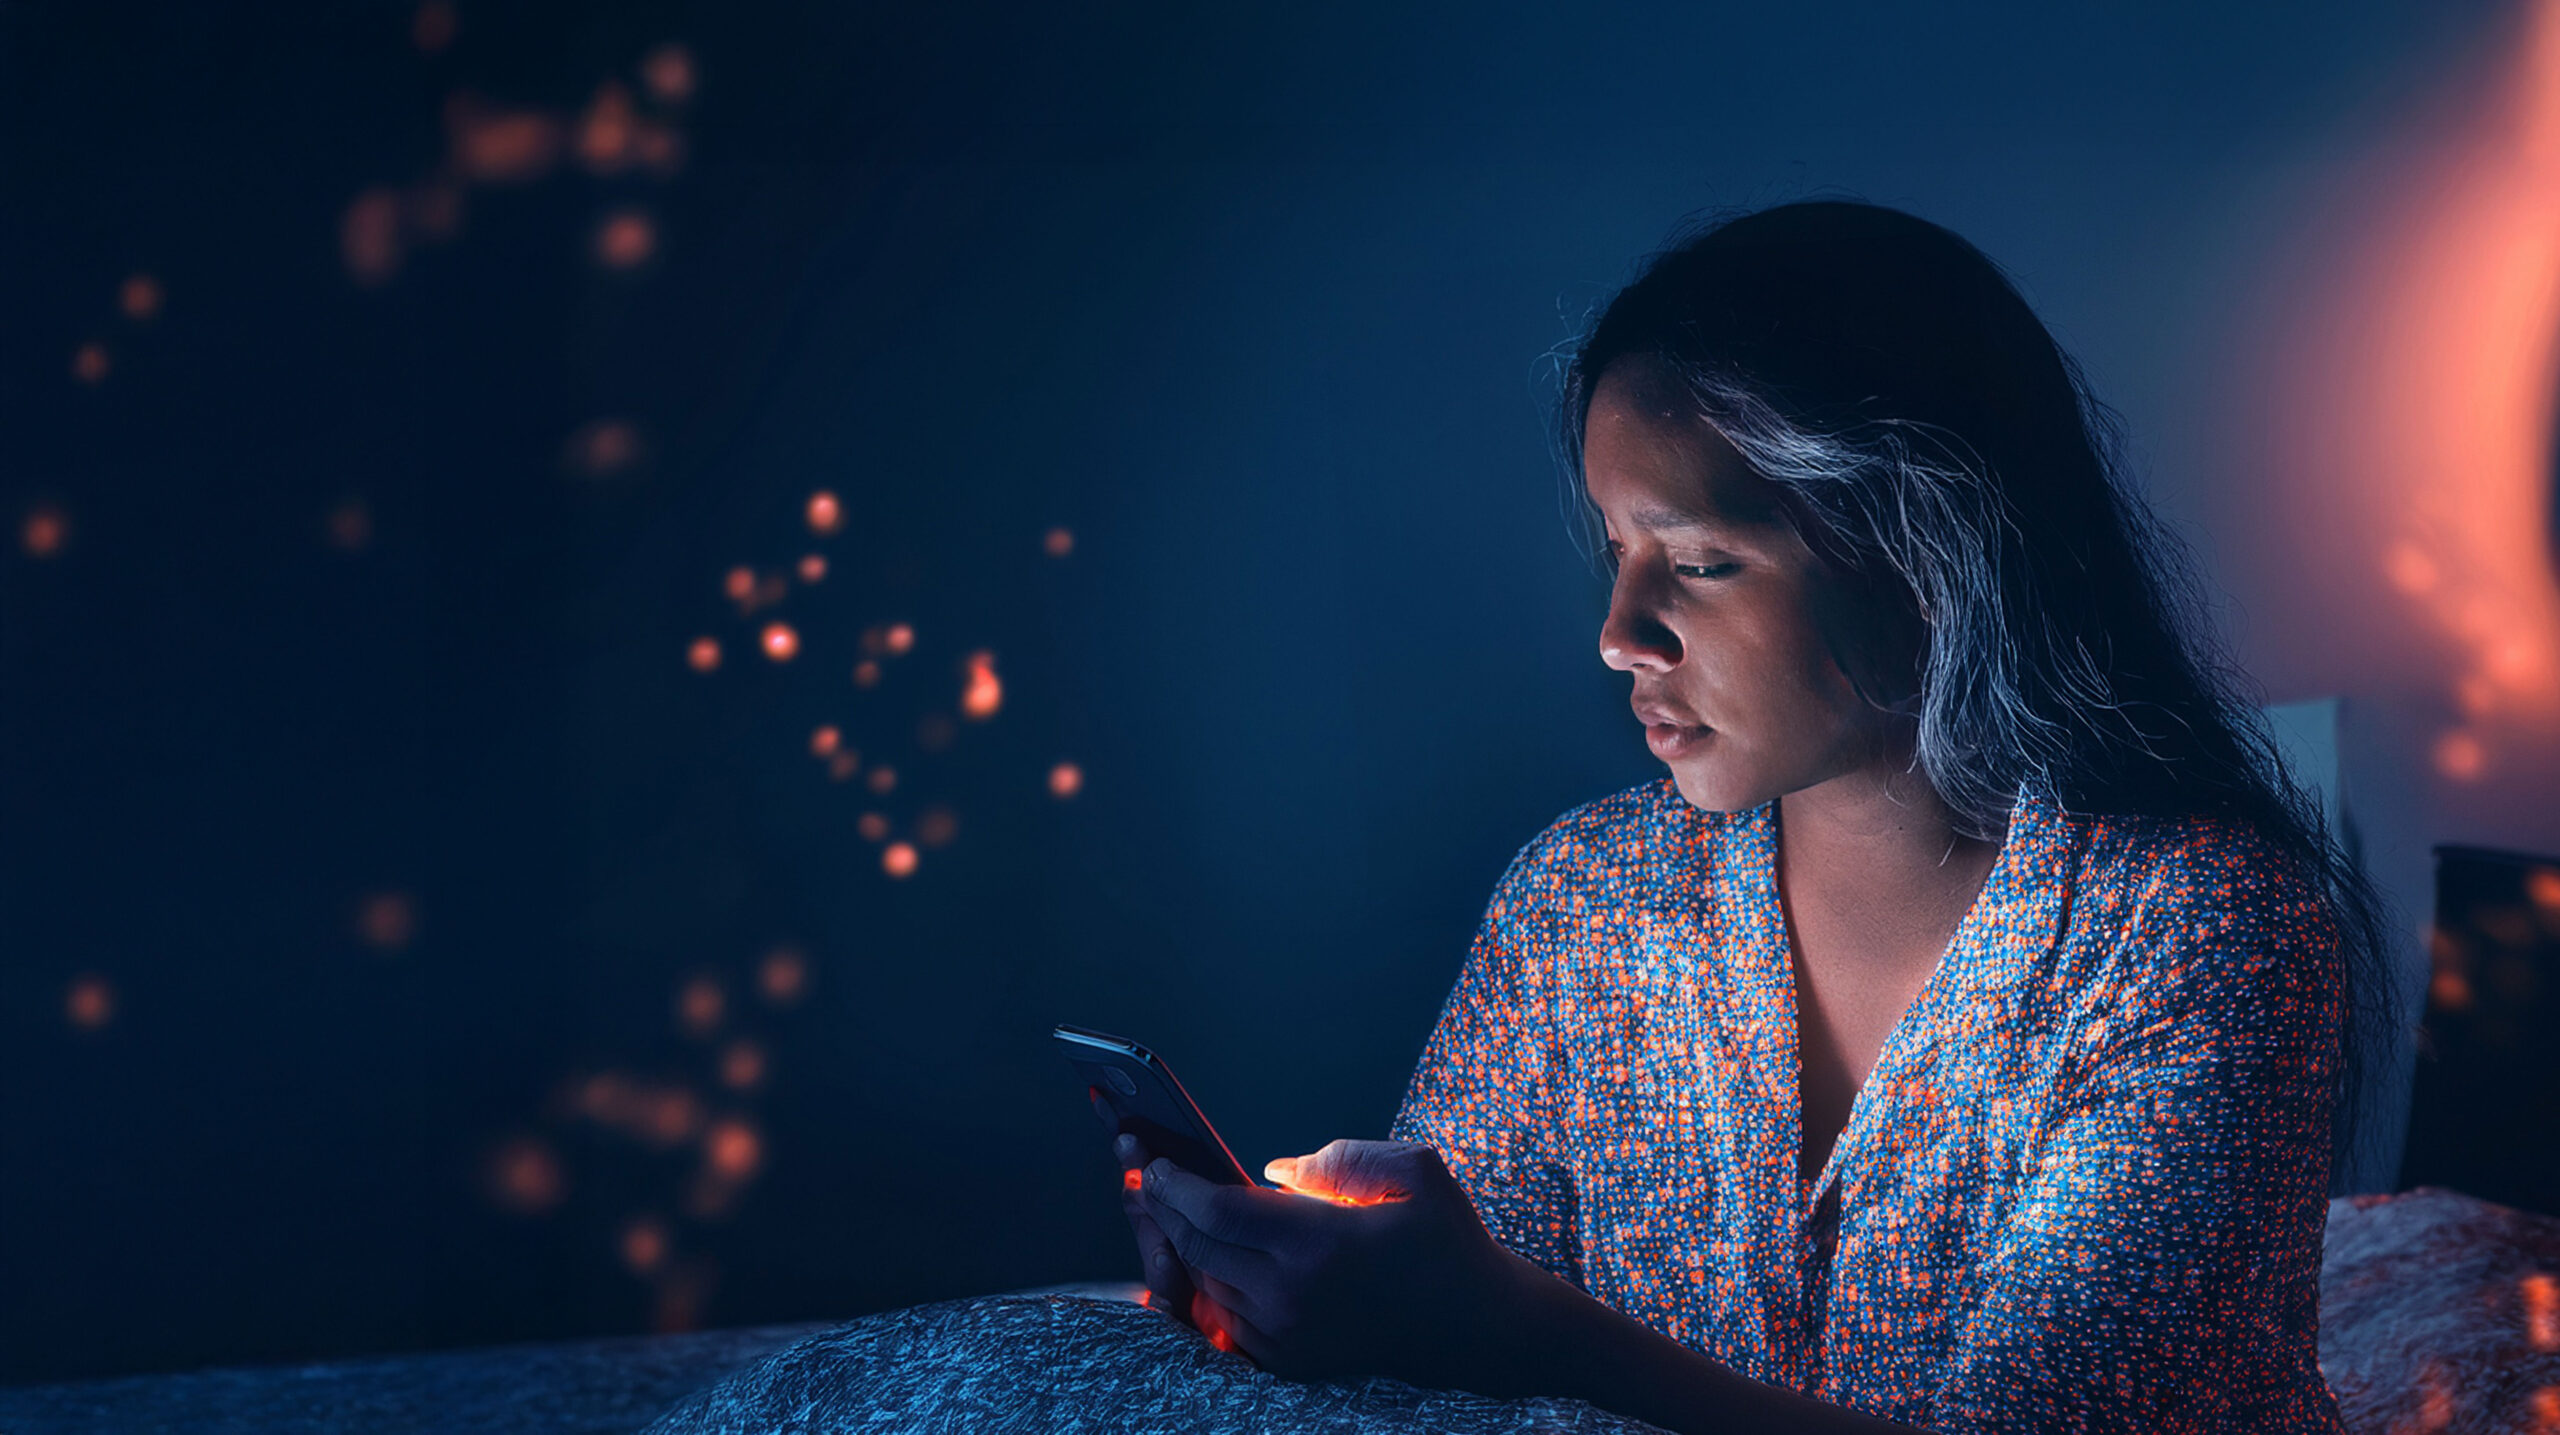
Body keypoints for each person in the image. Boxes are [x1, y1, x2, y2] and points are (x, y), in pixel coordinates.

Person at [1110, 198, 2399, 1433]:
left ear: (1930, 555)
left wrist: (1521, 1333)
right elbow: (1440, 1321)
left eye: (1701, 563)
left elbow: (1492, 1328)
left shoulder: (2200, 934)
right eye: (1617, 550)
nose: (1619, 634)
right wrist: (1308, 1292)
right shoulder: (1582, 902)